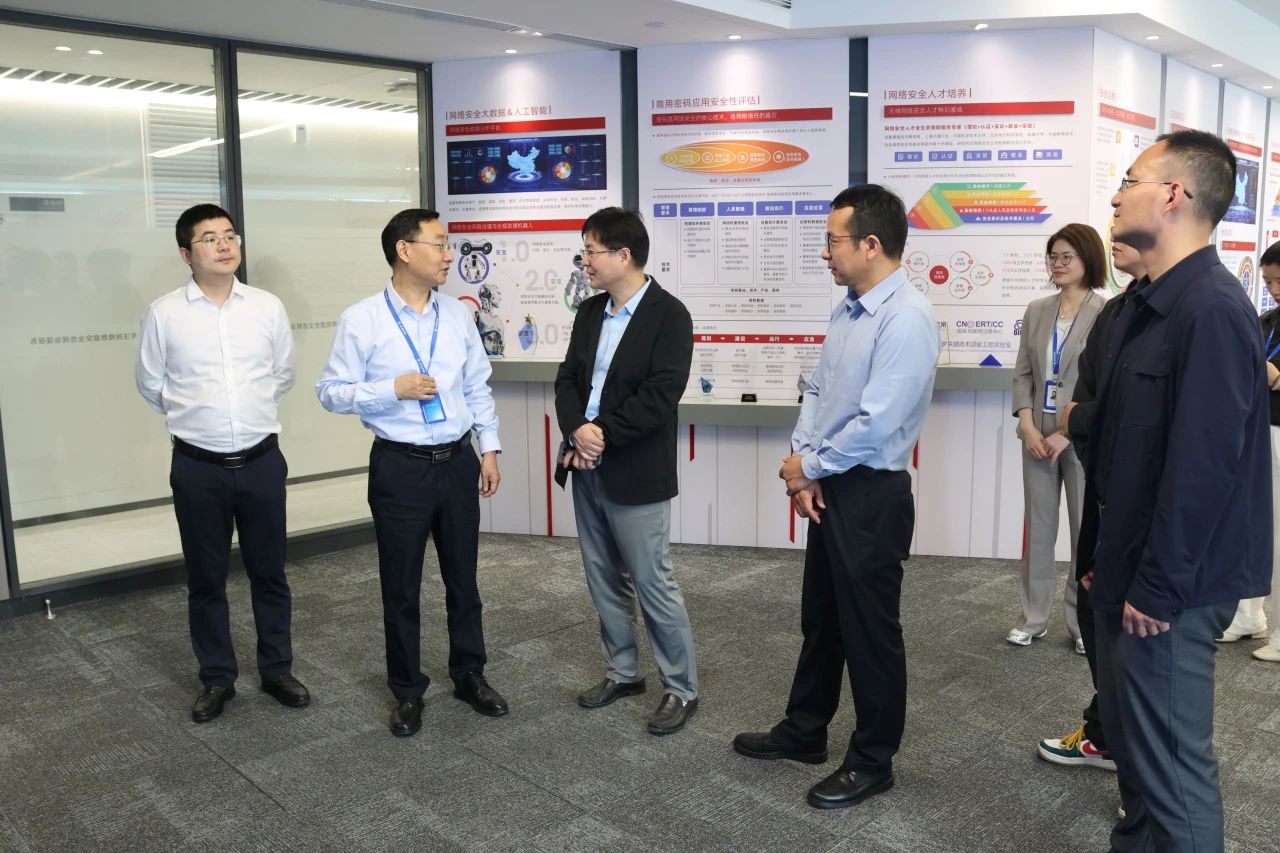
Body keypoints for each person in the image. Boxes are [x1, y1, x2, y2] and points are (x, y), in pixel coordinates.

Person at [1089, 130, 1270, 851]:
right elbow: (1130, 451)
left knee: (1172, 767)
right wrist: (1107, 557)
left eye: (1129, 180)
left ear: (1172, 194)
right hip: (1133, 563)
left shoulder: (1211, 308)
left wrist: (1158, 586)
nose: (1115, 196)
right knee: (1138, 756)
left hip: (1175, 587)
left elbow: (1203, 468)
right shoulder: (1146, 303)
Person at [732, 185, 940, 809]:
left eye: (832, 241)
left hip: (871, 493)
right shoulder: (848, 311)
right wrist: (805, 467)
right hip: (829, 482)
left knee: (871, 632)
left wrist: (809, 466)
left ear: (870, 245)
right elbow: (819, 391)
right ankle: (805, 730)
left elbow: (877, 423)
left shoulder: (907, 318)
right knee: (821, 619)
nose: (825, 253)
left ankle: (874, 760)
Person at [316, 208, 507, 737]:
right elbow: (330, 392)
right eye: (439, 244)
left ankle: (469, 675)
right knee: (400, 587)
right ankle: (406, 690)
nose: (449, 255)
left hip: (457, 461)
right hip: (400, 467)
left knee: (463, 580)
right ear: (404, 250)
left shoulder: (458, 315)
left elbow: (476, 385)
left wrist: (489, 448)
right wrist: (391, 389)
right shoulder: (362, 319)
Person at [135, 203, 309, 723]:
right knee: (206, 578)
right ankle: (217, 677)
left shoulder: (266, 307)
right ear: (186, 254)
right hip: (198, 467)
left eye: (230, 235)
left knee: (269, 573)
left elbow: (282, 375)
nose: (224, 245)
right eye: (209, 238)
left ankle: (276, 670)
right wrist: (200, 418)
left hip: (261, 461)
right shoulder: (164, 313)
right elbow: (151, 385)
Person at [553, 206, 699, 735]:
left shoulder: (669, 315)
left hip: (634, 468)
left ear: (624, 255)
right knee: (602, 576)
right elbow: (567, 380)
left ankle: (681, 687)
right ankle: (623, 672)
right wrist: (578, 429)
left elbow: (660, 396)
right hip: (585, 463)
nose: (585, 261)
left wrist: (601, 434)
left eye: (591, 251)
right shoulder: (591, 312)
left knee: (651, 579)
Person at [1035, 238, 1146, 772]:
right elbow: (1087, 392)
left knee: (1143, 652)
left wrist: (1075, 422)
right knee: (1095, 600)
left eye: (1068, 256)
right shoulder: (1124, 310)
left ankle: (1141, 776)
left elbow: (1122, 412)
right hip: (1103, 482)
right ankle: (1106, 737)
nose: (1116, 211)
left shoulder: (1199, 309)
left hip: (1139, 504)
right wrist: (1057, 420)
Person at [1008, 223, 1108, 651]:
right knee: (1039, 528)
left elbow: (1105, 384)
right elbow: (1023, 374)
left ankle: (1081, 622)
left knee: (1085, 532)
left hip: (1081, 437)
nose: (1058, 264)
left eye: (1067, 256)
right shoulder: (1037, 310)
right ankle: (1033, 617)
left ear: (1088, 259)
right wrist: (1028, 425)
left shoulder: (1106, 312)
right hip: (1037, 434)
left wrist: (1069, 432)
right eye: (1053, 256)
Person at [1251, 241, 1280, 663]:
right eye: (1268, 281)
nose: (1273, 289)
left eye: (1279, 280)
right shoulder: (1263, 321)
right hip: (1256, 432)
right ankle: (1247, 613)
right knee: (1252, 527)